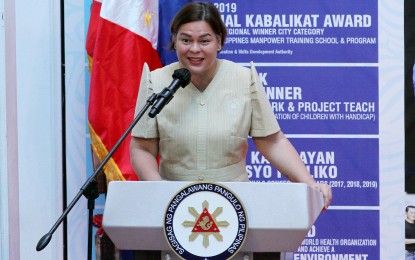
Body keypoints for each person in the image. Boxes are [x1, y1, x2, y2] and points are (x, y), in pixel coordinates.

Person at [129, 2, 332, 209]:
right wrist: (158, 190)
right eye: (186, 40)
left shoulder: (244, 78)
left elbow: (272, 141)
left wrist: (309, 183)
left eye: (204, 40)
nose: (195, 49)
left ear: (219, 41)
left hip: (233, 204)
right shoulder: (157, 81)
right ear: (174, 41)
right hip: (173, 204)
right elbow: (142, 148)